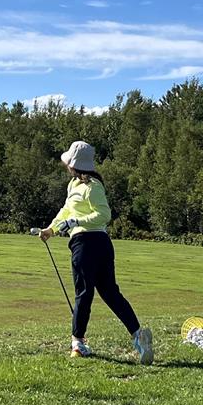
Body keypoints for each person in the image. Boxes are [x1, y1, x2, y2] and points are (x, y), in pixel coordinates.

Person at [38, 140, 153, 364]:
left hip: (88, 243)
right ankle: (138, 336)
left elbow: (103, 215)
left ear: (73, 164)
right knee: (106, 293)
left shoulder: (93, 186)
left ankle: (78, 343)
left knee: (86, 293)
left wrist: (75, 221)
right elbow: (65, 210)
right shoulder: (73, 186)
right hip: (96, 244)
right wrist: (51, 229)